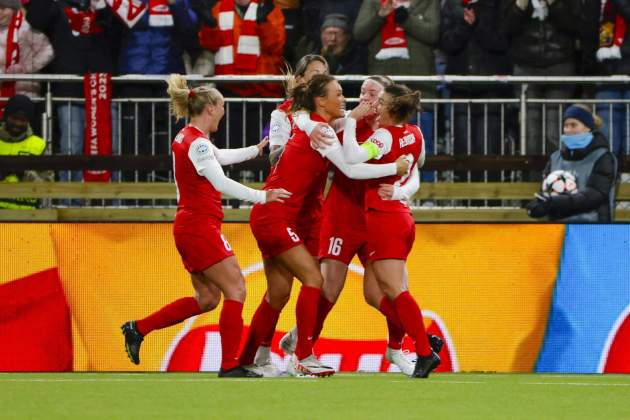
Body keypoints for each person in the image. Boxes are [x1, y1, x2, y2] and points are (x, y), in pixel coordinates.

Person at [239, 74, 410, 377]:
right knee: (314, 280)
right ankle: (303, 356)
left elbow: (312, 118)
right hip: (275, 217)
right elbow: (351, 169)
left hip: (274, 216)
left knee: (277, 293)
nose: (345, 99)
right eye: (340, 94)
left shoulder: (318, 124)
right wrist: (394, 168)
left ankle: (244, 360)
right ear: (321, 100)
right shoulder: (321, 130)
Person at [121, 74, 291, 378]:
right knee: (236, 288)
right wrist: (263, 196)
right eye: (222, 106)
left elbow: (219, 157)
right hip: (199, 225)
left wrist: (255, 149)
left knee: (208, 299)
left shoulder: (189, 137)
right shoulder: (198, 144)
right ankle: (228, 366)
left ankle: (138, 329)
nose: (224, 112)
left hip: (190, 225)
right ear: (210, 108)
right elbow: (220, 180)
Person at [277, 76, 443, 376]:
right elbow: (308, 122)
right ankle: (304, 345)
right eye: (362, 92)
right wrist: (311, 124)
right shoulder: (346, 123)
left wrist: (402, 190)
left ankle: (399, 348)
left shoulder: (391, 131)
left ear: (387, 100)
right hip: (343, 216)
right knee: (329, 288)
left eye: (373, 94)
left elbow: (414, 171)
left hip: (379, 217)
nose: (364, 98)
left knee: (385, 291)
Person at [339, 83, 441, 378]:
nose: (377, 106)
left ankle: (423, 350)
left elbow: (352, 157)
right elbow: (414, 166)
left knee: (395, 290)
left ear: (392, 109)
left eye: (381, 102)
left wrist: (349, 120)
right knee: (374, 293)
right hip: (401, 216)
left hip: (384, 218)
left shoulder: (383, 137)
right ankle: (420, 338)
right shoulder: (416, 134)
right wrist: (399, 186)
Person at [354, 0, 440, 182]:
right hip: (383, 94)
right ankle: (383, 188)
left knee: (421, 146)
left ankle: (426, 195)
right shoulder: (374, 3)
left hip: (419, 89)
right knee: (381, 146)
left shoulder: (429, 2)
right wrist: (379, 17)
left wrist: (407, 19)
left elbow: (433, 34)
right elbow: (359, 33)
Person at [500, 0, 582, 169]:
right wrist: (520, 6)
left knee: (555, 132)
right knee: (530, 135)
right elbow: (506, 29)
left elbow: (575, 26)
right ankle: (532, 185)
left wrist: (554, 4)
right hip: (525, 65)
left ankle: (557, 182)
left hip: (560, 63)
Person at [526, 104, 618, 222]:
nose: (568, 130)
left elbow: (594, 195)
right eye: (566, 125)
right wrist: (538, 205)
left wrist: (554, 202)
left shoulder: (603, 157)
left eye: (574, 125)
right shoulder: (555, 157)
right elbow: (545, 190)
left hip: (592, 229)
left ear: (588, 127)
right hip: (556, 228)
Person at [268, 54, 329, 165]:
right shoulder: (281, 114)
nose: (322, 79)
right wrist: (303, 140)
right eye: (316, 74)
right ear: (300, 79)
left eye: (325, 74)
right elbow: (274, 158)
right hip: (289, 180)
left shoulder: (331, 110)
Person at [293, 13, 367, 96]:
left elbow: (353, 85)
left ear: (347, 36)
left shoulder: (356, 55)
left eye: (338, 34)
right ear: (322, 35)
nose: (333, 39)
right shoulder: (311, 53)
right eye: (329, 33)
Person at [0, 94, 50, 209]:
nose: (17, 123)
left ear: (28, 121)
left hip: (27, 218)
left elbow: (48, 187)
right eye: (14, 118)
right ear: (6, 116)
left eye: (22, 120)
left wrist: (25, 173)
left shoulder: (39, 145)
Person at [0, 0, 53, 105]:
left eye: (3, 8)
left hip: (24, 92)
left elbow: (48, 52)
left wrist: (25, 67)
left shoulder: (25, 27)